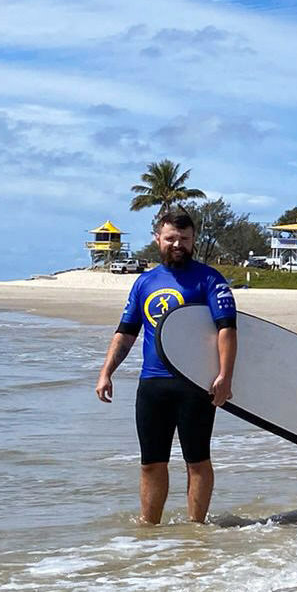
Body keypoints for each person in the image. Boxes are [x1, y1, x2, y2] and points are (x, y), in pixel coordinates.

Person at [94, 209, 237, 524]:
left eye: (184, 239)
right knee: (150, 462)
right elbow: (126, 332)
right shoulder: (145, 282)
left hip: (196, 384)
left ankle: (196, 527)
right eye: (171, 238)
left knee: (197, 460)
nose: (178, 245)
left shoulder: (210, 280)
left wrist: (225, 376)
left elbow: (227, 328)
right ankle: (149, 529)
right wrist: (106, 372)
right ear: (158, 238)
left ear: (193, 241)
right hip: (153, 385)